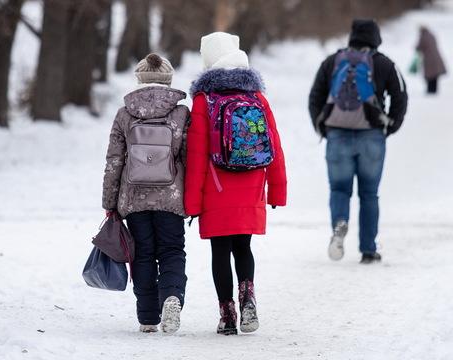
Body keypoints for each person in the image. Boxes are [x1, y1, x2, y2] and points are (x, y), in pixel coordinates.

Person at [185, 32, 287, 335]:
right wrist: (277, 190)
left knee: (220, 251)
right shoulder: (257, 97)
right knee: (244, 247)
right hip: (253, 183)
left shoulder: (204, 100)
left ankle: (227, 314)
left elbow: (196, 157)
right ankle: (248, 298)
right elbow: (275, 147)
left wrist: (191, 202)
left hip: (216, 188)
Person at [308, 19, 408, 264]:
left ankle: (339, 224)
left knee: (339, 189)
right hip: (371, 135)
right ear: (376, 37)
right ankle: (368, 249)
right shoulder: (384, 64)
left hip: (337, 134)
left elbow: (315, 95)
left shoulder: (332, 62)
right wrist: (390, 125)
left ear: (352, 36)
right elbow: (401, 95)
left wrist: (322, 125)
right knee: (369, 194)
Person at [102, 53, 189, 333]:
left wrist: (109, 202)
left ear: (139, 79)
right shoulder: (180, 113)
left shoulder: (125, 113)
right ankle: (172, 297)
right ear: (168, 79)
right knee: (172, 250)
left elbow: (115, 160)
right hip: (171, 198)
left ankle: (148, 318)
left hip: (134, 197)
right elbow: (190, 158)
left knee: (142, 255)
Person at [416, 26, 447, 94]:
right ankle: (434, 90)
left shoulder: (423, 36)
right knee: (435, 75)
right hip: (436, 57)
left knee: (430, 75)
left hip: (428, 59)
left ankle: (430, 90)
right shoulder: (431, 35)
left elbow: (419, 47)